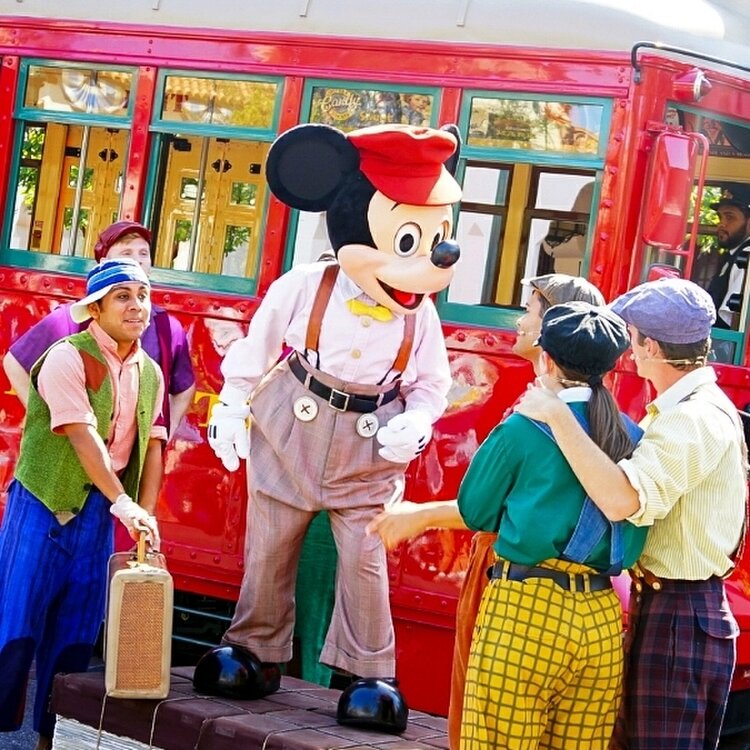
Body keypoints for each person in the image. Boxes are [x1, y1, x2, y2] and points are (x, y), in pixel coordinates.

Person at [366, 272, 604, 749]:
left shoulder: (535, 415)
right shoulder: (603, 417)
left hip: (509, 579)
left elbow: (491, 510)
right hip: (584, 610)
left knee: (481, 722)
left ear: (552, 329)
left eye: (530, 311)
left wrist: (418, 515)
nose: (519, 321)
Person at [515, 277, 746, 749]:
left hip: (679, 615)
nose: (628, 348)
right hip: (677, 610)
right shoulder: (693, 409)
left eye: (632, 336)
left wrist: (557, 415)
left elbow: (624, 501)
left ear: (652, 347)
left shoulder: (691, 418)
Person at [458, 301, 646, 749]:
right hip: (600, 621)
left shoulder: (522, 428)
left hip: (524, 610)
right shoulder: (633, 435)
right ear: (610, 368)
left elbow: (475, 511)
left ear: (546, 359)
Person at [0, 258, 166, 750]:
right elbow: (81, 435)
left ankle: (50, 741)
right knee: (14, 627)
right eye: (123, 297)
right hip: (42, 503)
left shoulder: (151, 373)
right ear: (95, 308)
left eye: (143, 295)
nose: (137, 306)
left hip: (98, 512)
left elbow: (153, 447)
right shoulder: (66, 357)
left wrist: (145, 515)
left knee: (74, 638)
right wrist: (125, 503)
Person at [3, 220, 195, 438]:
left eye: (143, 253)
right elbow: (14, 363)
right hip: (76, 452)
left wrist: (163, 435)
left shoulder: (167, 328)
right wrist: (48, 422)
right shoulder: (70, 319)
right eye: (126, 253)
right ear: (104, 263)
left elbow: (184, 388)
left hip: (130, 456)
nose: (138, 260)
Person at [706, 183, 750, 330]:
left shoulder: (746, 255)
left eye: (730, 217)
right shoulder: (733, 254)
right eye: (720, 217)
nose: (721, 224)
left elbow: (733, 320)